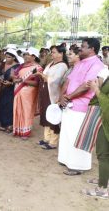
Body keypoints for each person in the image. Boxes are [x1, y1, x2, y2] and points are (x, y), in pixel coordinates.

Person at [58, 38, 105, 175]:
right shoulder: (80, 63)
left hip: (83, 106)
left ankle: (79, 166)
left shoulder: (96, 65)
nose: (80, 49)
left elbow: (87, 85)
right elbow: (68, 80)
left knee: (79, 135)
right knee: (67, 133)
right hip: (69, 103)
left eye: (83, 47)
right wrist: (62, 96)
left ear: (92, 49)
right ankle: (66, 159)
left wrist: (69, 97)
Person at [81, 71, 109, 199]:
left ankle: (103, 189)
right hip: (104, 119)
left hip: (106, 121)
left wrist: (96, 88)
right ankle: (104, 180)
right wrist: (98, 85)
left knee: (103, 154)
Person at [36, 45, 68, 150]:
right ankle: (46, 138)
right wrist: (41, 75)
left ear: (61, 53)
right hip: (46, 91)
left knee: (53, 116)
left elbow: (56, 80)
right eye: (52, 52)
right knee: (46, 114)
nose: (52, 54)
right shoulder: (50, 63)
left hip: (53, 94)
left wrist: (43, 76)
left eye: (54, 52)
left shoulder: (62, 66)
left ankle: (53, 141)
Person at [12, 47, 43, 139]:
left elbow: (37, 83)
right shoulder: (21, 66)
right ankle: (17, 130)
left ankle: (26, 132)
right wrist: (14, 79)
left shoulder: (38, 68)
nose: (25, 56)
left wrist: (23, 81)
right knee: (17, 110)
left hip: (29, 93)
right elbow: (15, 77)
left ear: (34, 57)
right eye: (25, 54)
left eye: (28, 55)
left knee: (27, 111)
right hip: (18, 91)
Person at [0, 49, 21, 133]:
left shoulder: (18, 66)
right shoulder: (2, 64)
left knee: (9, 106)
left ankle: (9, 125)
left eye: (9, 57)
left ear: (14, 58)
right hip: (2, 87)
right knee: (0, 104)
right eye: (6, 56)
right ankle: (1, 124)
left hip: (11, 88)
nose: (7, 58)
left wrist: (11, 83)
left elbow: (19, 79)